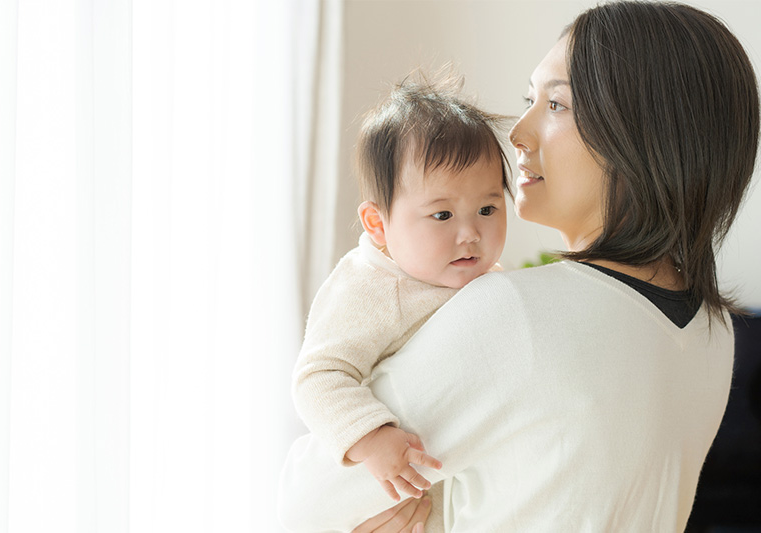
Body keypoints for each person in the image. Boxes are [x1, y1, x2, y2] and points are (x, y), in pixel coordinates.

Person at [278, 1, 760, 532]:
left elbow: (308, 503)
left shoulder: (515, 315)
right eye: (530, 100)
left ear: (642, 134)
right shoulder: (712, 335)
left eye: (556, 105)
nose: (518, 133)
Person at [291, 74, 511, 517]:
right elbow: (318, 376)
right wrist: (371, 437)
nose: (470, 233)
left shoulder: (479, 279)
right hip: (385, 492)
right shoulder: (371, 287)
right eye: (442, 214)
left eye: (488, 209)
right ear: (377, 225)